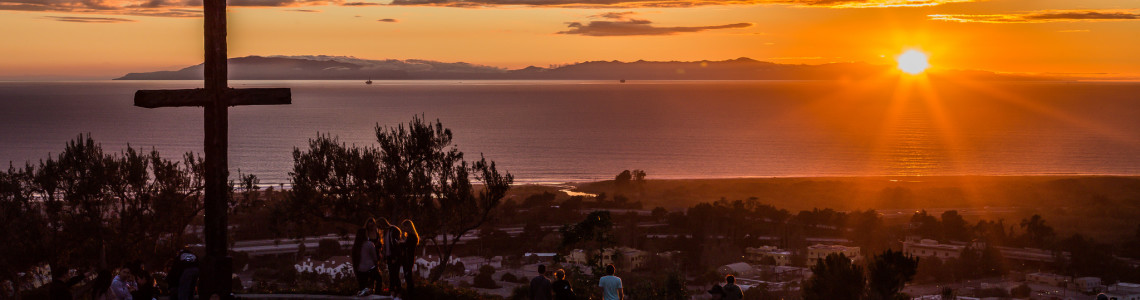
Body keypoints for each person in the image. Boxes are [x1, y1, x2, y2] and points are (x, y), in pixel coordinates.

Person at [352, 227, 381, 296]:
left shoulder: (356, 246)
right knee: (379, 280)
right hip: (370, 268)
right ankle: (376, 294)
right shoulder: (369, 244)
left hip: (360, 270)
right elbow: (374, 257)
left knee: (362, 287)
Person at [379, 218, 403, 296]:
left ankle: (398, 292)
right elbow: (386, 245)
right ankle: (392, 292)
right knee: (392, 275)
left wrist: (395, 257)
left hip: (394, 256)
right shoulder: (386, 232)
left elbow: (397, 245)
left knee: (395, 275)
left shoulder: (394, 230)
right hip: (389, 256)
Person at [399, 219, 420, 299]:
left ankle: (411, 295)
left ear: (408, 227)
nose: (403, 229)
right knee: (408, 277)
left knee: (408, 278)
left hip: (408, 259)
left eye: (404, 227)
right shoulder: (412, 236)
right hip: (409, 259)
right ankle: (410, 294)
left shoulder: (411, 236)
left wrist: (400, 243)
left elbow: (406, 246)